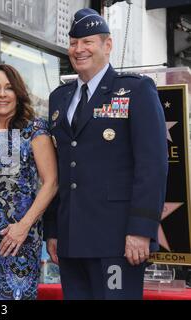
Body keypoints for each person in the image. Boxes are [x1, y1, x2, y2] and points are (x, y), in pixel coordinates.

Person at [45, 8, 168, 299]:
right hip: (71, 238)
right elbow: (58, 168)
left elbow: (153, 165)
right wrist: (53, 230)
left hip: (117, 239)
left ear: (107, 45)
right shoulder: (59, 98)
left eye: (87, 41)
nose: (79, 49)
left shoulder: (135, 91)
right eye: (74, 42)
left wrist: (141, 229)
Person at [0, 64, 58, 300]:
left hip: (20, 238)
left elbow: (51, 183)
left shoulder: (35, 130)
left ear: (18, 95)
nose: (2, 94)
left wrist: (23, 226)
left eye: (8, 88)